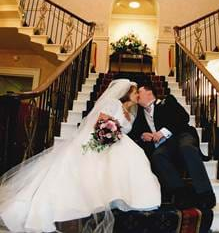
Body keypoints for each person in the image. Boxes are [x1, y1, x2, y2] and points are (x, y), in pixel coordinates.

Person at [0, 79, 161, 233]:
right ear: (125, 93)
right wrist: (109, 136)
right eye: (134, 92)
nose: (137, 95)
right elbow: (100, 122)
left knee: (135, 156)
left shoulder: (132, 113)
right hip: (105, 139)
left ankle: (133, 197)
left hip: (120, 141)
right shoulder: (113, 103)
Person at [129, 83, 216, 210]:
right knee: (158, 155)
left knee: (187, 148)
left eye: (139, 92)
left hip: (183, 134)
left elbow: (183, 118)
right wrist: (143, 135)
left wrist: (163, 132)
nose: (137, 95)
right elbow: (135, 131)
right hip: (167, 144)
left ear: (149, 93)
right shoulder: (140, 113)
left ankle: (206, 194)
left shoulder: (168, 101)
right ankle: (180, 194)